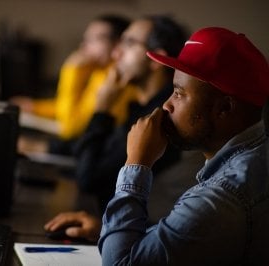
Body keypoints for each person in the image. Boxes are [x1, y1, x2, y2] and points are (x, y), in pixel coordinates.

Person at [99, 27, 269, 265]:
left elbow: (119, 264)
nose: (167, 105)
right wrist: (121, 234)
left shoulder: (223, 197)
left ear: (225, 109)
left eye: (179, 94)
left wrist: (137, 163)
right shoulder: (256, 160)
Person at [44, 14, 188, 237]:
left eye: (129, 44)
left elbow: (89, 179)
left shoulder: (161, 117)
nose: (115, 53)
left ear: (156, 60)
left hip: (152, 241)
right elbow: (103, 149)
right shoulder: (140, 107)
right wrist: (45, 148)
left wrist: (102, 110)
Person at [11, 14, 137, 146]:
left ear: (118, 44)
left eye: (94, 39)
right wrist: (34, 107)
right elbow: (76, 107)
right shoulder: (101, 72)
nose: (84, 46)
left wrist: (71, 70)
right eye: (85, 39)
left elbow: (70, 128)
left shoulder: (115, 78)